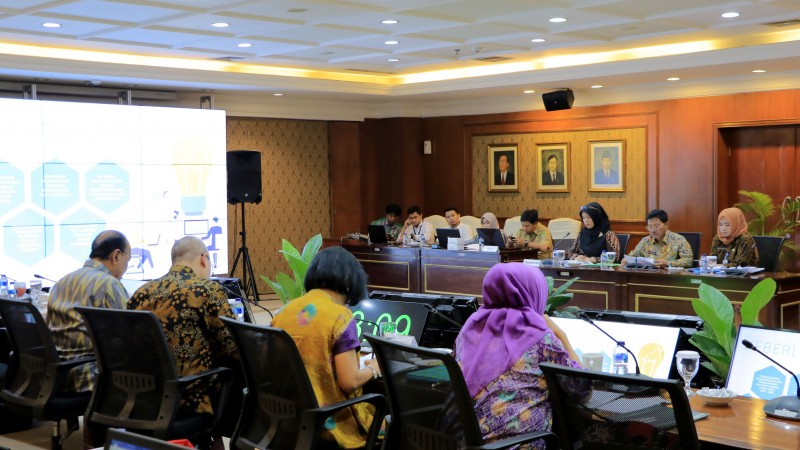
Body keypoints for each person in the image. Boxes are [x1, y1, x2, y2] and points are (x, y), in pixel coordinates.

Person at [440, 263, 580, 447]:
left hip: (460, 444)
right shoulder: (540, 338)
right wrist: (562, 336)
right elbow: (580, 389)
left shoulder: (470, 328)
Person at [128, 236, 238, 449]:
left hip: (143, 397)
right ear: (204, 259)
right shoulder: (206, 289)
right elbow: (232, 346)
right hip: (189, 399)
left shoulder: (141, 293)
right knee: (237, 370)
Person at [271, 247, 382, 449]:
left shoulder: (283, 311)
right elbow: (350, 382)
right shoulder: (339, 316)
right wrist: (374, 368)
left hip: (285, 420)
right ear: (348, 279)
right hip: (328, 425)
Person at [47, 230, 131, 448]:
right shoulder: (109, 284)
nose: (126, 268)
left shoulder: (61, 282)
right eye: (128, 261)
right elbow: (130, 334)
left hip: (55, 375)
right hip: (87, 376)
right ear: (116, 255)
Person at [622, 209, 693, 268]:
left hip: (670, 277)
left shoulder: (679, 240)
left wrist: (668, 263)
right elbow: (632, 256)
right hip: (648, 276)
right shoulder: (645, 240)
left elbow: (688, 261)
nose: (653, 230)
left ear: (666, 225)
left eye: (656, 226)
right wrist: (626, 260)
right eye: (650, 226)